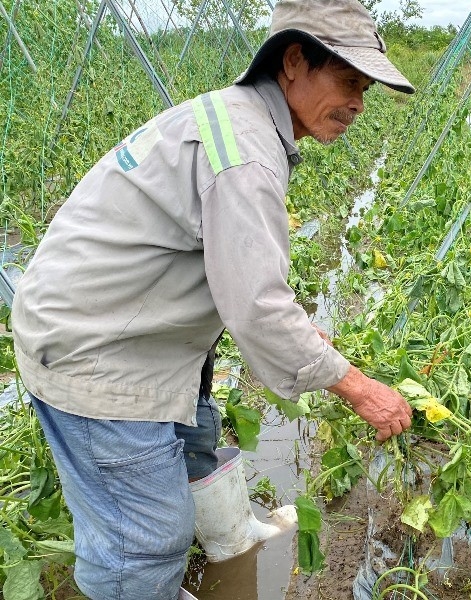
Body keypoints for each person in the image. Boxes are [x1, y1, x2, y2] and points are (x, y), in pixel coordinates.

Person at [10, 1, 415, 598]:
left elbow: (238, 272)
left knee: (197, 436)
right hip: (95, 353)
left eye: (365, 88)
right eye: (349, 81)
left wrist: (297, 335)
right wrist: (361, 390)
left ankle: (230, 542)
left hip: (128, 324)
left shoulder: (242, 122)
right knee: (143, 539)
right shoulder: (247, 152)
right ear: (294, 61)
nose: (358, 103)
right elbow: (256, 306)